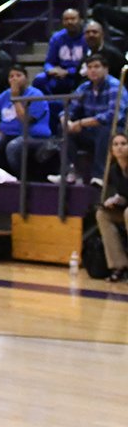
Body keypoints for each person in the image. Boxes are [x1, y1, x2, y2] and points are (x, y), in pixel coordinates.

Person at [49, 55, 128, 187]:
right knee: (62, 128)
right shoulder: (84, 87)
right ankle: (69, 172)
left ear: (106, 69)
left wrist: (81, 123)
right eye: (90, 67)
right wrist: (66, 121)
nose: (92, 70)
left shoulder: (115, 86)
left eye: (96, 67)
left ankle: (99, 176)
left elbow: (113, 116)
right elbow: (69, 109)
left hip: (115, 130)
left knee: (106, 130)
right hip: (90, 130)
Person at [0, 64, 51, 181]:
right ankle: (4, 176)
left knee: (13, 146)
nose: (14, 79)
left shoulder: (36, 95)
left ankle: (23, 180)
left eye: (18, 75)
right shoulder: (6, 94)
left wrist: (16, 98)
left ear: (26, 78)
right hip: (7, 134)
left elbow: (25, 120)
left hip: (33, 136)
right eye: (11, 76)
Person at [96, 133, 128, 282]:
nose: (119, 147)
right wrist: (114, 200)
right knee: (102, 214)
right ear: (111, 150)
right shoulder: (114, 170)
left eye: (123, 143)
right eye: (116, 144)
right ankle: (119, 265)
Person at [32, 8, 85, 96]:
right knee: (39, 80)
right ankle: (51, 106)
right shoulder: (57, 38)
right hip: (59, 74)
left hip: (79, 74)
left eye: (73, 19)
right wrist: (50, 70)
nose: (69, 22)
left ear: (80, 20)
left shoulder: (87, 37)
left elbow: (88, 64)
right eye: (66, 19)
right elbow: (49, 62)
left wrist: (68, 72)